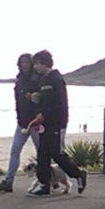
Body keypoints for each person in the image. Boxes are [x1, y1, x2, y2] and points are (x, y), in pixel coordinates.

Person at [28, 50, 87, 196]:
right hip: (44, 124)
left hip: (57, 123)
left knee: (57, 153)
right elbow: (44, 100)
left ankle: (78, 174)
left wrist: (45, 114)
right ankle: (44, 184)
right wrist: (36, 99)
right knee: (42, 154)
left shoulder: (56, 79)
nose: (35, 67)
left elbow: (59, 103)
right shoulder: (42, 80)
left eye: (36, 64)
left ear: (43, 63)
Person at [0, 54, 41, 192]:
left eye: (26, 62)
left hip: (35, 122)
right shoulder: (19, 79)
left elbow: (43, 99)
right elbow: (18, 101)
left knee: (42, 153)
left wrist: (34, 100)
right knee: (15, 151)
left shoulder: (37, 78)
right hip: (22, 122)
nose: (24, 64)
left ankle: (48, 180)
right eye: (22, 62)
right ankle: (8, 182)